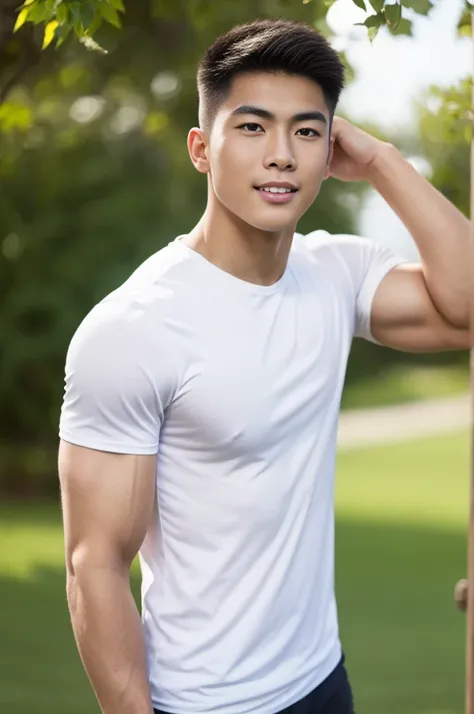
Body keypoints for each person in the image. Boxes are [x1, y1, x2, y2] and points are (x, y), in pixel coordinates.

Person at [58, 18, 470, 714]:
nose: (281, 154)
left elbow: (464, 306)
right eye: (252, 128)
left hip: (321, 681)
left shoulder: (334, 272)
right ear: (201, 149)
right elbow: (94, 563)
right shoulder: (134, 328)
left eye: (307, 132)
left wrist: (382, 163)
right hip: (204, 702)